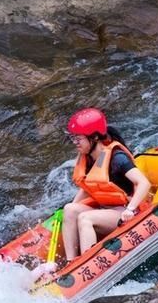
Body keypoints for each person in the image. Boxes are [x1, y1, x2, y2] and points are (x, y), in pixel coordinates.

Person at [62, 108, 151, 261]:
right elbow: (88, 187)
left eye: (78, 139)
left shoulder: (117, 158)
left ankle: (87, 263)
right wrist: (70, 209)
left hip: (126, 211)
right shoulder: (89, 157)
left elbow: (144, 183)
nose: (75, 143)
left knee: (85, 218)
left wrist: (130, 209)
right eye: (73, 138)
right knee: (69, 209)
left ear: (95, 137)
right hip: (107, 209)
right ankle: (71, 261)